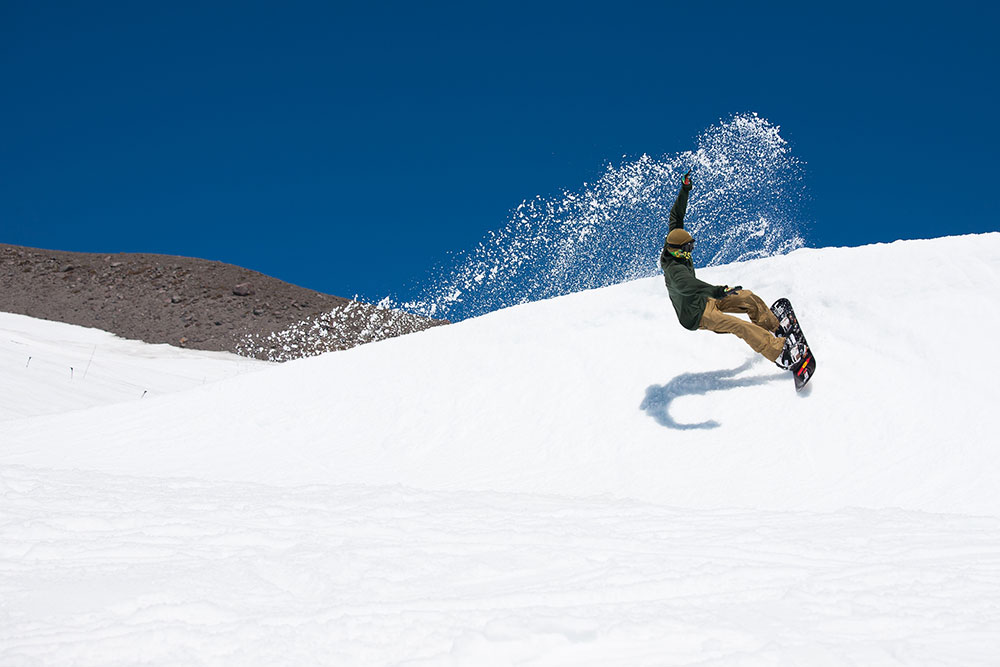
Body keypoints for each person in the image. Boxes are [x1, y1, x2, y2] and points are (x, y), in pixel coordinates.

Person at [659, 170, 790, 367]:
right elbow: (693, 286)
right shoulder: (675, 272)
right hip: (697, 315)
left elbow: (676, 215)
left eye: (692, 245)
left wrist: (685, 189)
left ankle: (773, 326)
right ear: (676, 250)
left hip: (705, 299)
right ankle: (778, 352)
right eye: (688, 248)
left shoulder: (674, 241)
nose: (691, 250)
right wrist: (719, 291)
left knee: (747, 297)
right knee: (739, 325)